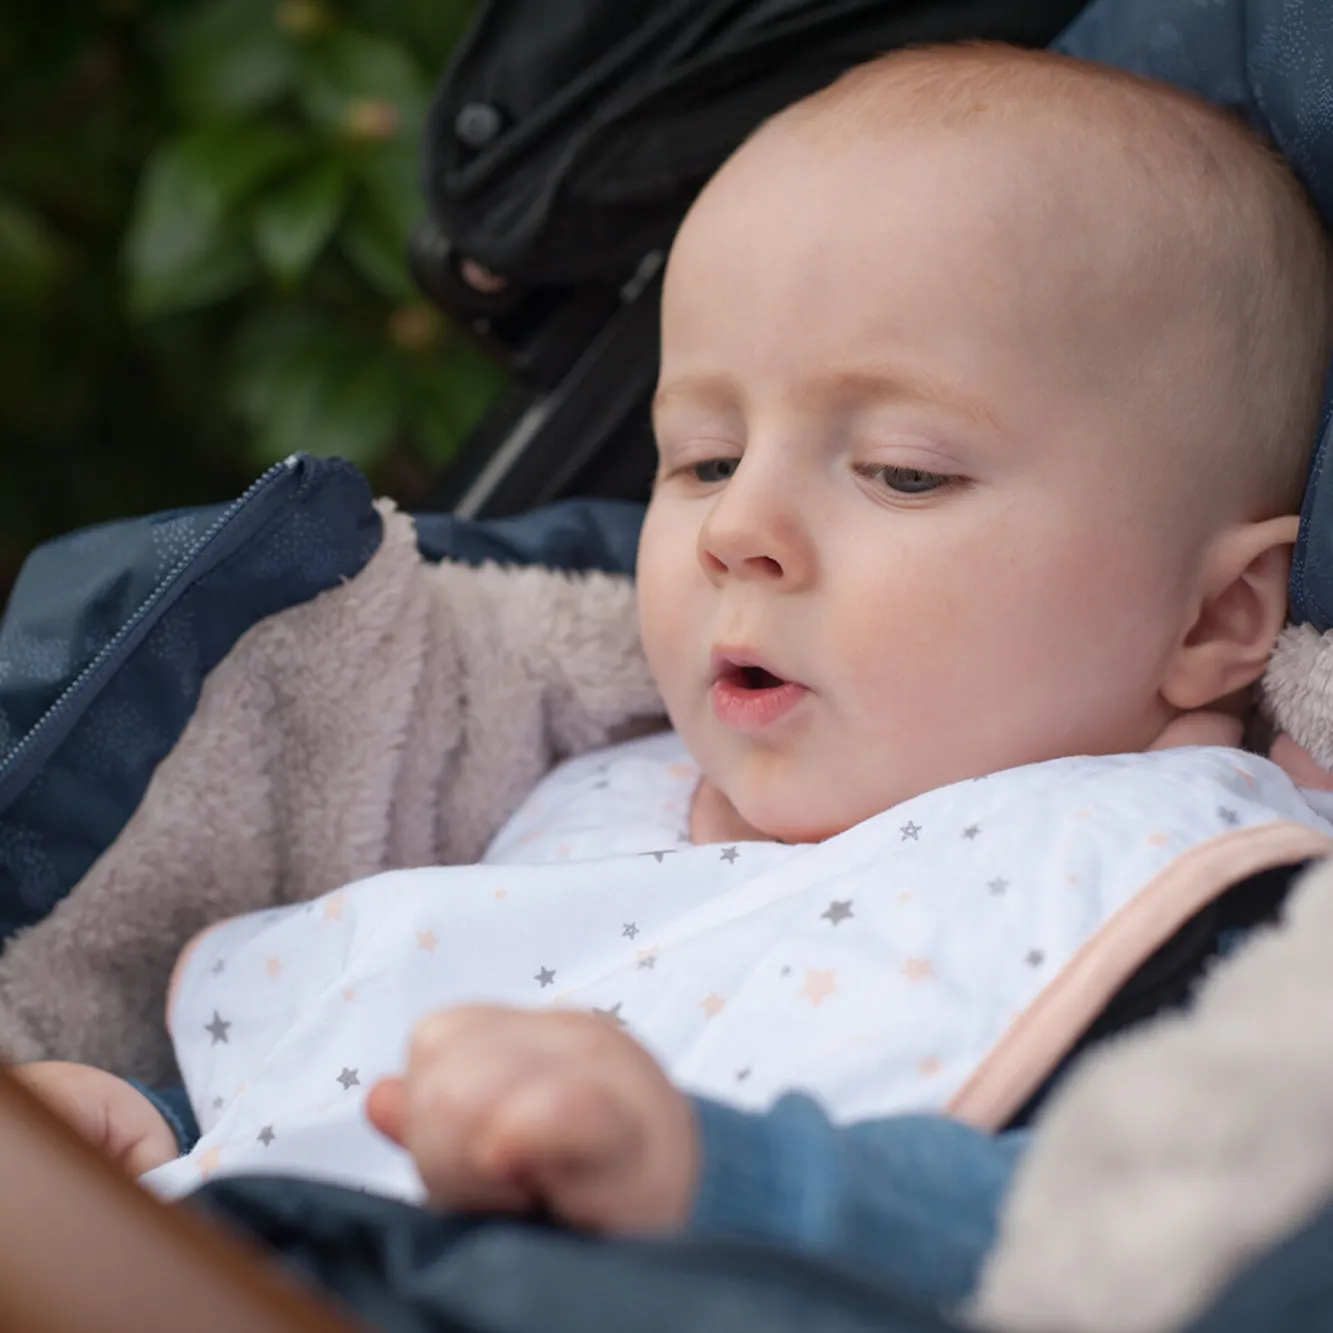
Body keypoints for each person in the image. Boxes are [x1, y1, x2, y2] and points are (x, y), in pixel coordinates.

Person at [13, 40, 1333, 1299]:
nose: (738, 532)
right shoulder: (590, 793)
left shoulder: (1200, 900)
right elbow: (366, 1065)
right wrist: (170, 1140)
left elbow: (1148, 1236)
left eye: (902, 472)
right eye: (701, 457)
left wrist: (722, 1178)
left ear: (1213, 619)